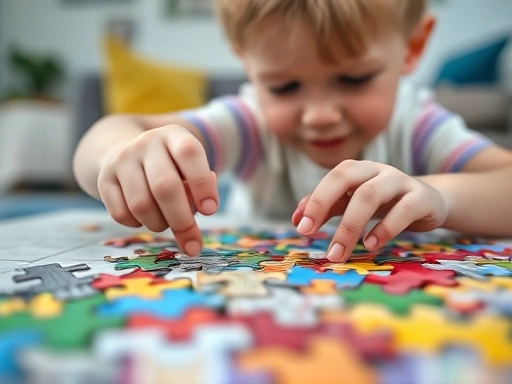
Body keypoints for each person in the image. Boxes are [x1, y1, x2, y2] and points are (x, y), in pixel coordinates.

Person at [73, 0, 512, 263]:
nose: (319, 115)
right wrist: (118, 152)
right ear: (248, 63)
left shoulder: (414, 125)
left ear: (412, 48)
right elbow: (110, 132)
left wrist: (439, 196)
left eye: (354, 79)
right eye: (284, 87)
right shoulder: (249, 123)